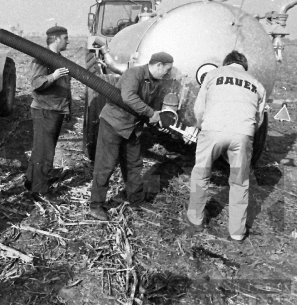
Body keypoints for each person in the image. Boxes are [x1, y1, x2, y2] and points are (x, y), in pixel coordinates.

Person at [186, 51, 266, 243]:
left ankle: (196, 221)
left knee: (201, 174)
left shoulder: (213, 75)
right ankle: (237, 232)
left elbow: (199, 108)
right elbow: (259, 119)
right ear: (244, 66)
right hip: (242, 135)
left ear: (226, 63)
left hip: (212, 130)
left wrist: (199, 126)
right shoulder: (256, 83)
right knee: (239, 182)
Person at [89, 52, 174, 221]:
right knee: (106, 165)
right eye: (167, 69)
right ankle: (96, 205)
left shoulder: (155, 81)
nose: (168, 73)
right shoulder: (134, 74)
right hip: (113, 124)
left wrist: (159, 118)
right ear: (158, 65)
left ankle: (136, 200)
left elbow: (150, 106)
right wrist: (152, 113)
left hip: (133, 128)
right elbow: (129, 97)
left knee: (134, 164)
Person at [24, 25, 71, 204]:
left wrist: (68, 110)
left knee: (40, 150)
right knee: (45, 153)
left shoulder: (59, 59)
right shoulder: (41, 59)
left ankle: (31, 181)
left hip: (56, 109)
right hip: (45, 110)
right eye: (66, 38)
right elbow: (36, 83)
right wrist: (53, 76)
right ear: (56, 39)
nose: (68, 41)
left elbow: (65, 88)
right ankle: (40, 190)